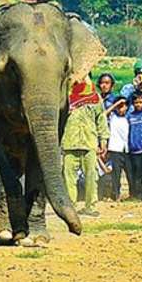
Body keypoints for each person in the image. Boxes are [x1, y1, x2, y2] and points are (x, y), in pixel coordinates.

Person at [63, 77, 106, 216]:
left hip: (89, 143)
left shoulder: (95, 97)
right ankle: (71, 207)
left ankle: (91, 206)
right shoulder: (65, 96)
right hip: (69, 142)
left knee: (91, 176)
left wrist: (103, 140)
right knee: (69, 178)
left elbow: (101, 119)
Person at [103, 97, 130, 201]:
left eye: (123, 106)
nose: (121, 109)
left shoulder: (128, 117)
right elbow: (104, 114)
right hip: (115, 148)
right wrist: (116, 104)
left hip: (127, 149)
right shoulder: (113, 117)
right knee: (116, 174)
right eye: (119, 107)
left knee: (130, 173)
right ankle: (116, 195)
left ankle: (133, 194)